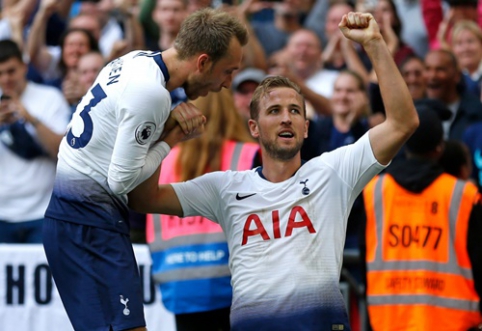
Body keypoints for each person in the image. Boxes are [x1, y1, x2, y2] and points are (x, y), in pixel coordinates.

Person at [128, 12, 419, 330]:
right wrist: (165, 138)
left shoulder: (334, 171)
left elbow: (402, 123)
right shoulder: (225, 188)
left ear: (306, 128)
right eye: (274, 111)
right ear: (253, 127)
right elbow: (145, 199)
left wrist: (375, 44)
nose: (286, 118)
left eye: (295, 111)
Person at [42, 8, 248, 331]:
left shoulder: (136, 60)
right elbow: (121, 181)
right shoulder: (152, 94)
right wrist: (172, 137)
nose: (226, 84)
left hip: (77, 219)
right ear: (203, 61)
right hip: (87, 224)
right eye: (227, 72)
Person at [146, 88, 260, 331]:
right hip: (233, 284)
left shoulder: (164, 160)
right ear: (229, 110)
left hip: (179, 282)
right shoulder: (246, 155)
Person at [363, 103, 482, 330]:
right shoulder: (463, 195)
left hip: (389, 322)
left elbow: (365, 259)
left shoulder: (374, 191)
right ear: (440, 148)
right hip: (452, 323)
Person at [0, 39, 71, 243]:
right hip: (2, 214)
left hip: (43, 212)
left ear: (24, 67)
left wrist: (31, 119)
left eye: (11, 71)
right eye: (0, 73)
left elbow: (62, 152)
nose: (5, 79)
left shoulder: (50, 97)